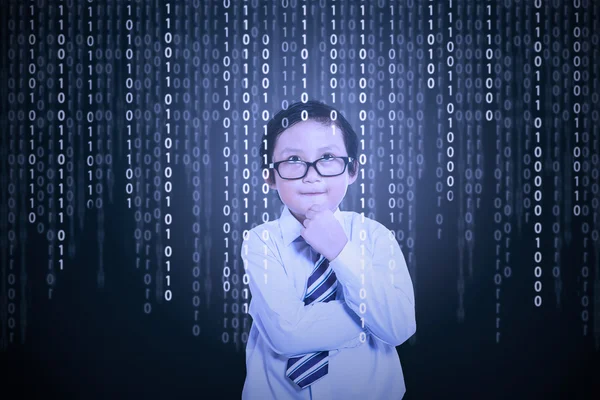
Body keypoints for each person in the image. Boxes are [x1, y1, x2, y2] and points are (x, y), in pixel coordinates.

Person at [241, 100, 416, 399]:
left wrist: (340, 252)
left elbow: (400, 327)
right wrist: (369, 319)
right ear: (269, 175)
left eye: (328, 157)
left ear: (352, 170)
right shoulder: (260, 242)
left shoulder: (376, 237)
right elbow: (287, 334)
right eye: (293, 159)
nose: (312, 174)